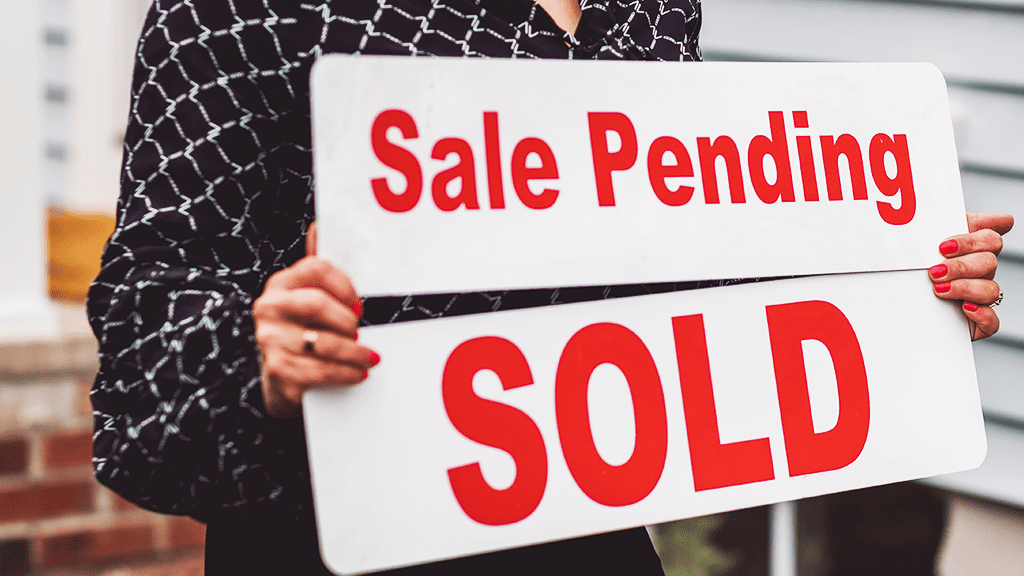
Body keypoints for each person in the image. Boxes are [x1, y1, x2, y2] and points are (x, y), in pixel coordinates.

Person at [87, 0, 1011, 574]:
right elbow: (141, 346)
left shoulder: (646, 9)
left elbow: (668, 245)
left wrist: (896, 277)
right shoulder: (241, 9)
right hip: (339, 541)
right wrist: (258, 353)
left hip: (585, 536)